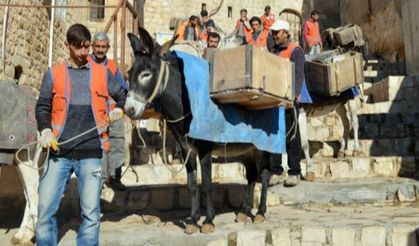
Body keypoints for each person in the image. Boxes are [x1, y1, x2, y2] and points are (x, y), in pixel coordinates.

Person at [35, 23, 126, 245]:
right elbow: (42, 107)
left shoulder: (102, 73)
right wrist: (45, 130)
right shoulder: (54, 74)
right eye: (79, 48)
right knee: (45, 208)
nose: (84, 53)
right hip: (59, 152)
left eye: (87, 47)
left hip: (91, 152)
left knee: (91, 214)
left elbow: (123, 94)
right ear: (67, 45)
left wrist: (118, 108)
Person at [269, 20, 312, 187]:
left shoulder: (295, 51)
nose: (274, 35)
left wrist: (293, 96)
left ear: (286, 33)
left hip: (289, 100)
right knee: (274, 136)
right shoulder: (274, 51)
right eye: (273, 32)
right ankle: (276, 171)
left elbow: (299, 75)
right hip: (275, 99)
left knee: (292, 136)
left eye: (277, 32)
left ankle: (295, 172)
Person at [88, 31, 128, 191]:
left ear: (108, 48)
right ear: (92, 46)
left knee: (117, 144)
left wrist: (121, 108)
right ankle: (101, 180)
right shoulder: (86, 63)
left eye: (103, 47)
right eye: (97, 46)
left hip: (114, 114)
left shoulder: (112, 66)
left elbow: (123, 90)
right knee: (99, 149)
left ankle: (115, 178)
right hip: (95, 114)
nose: (100, 49)